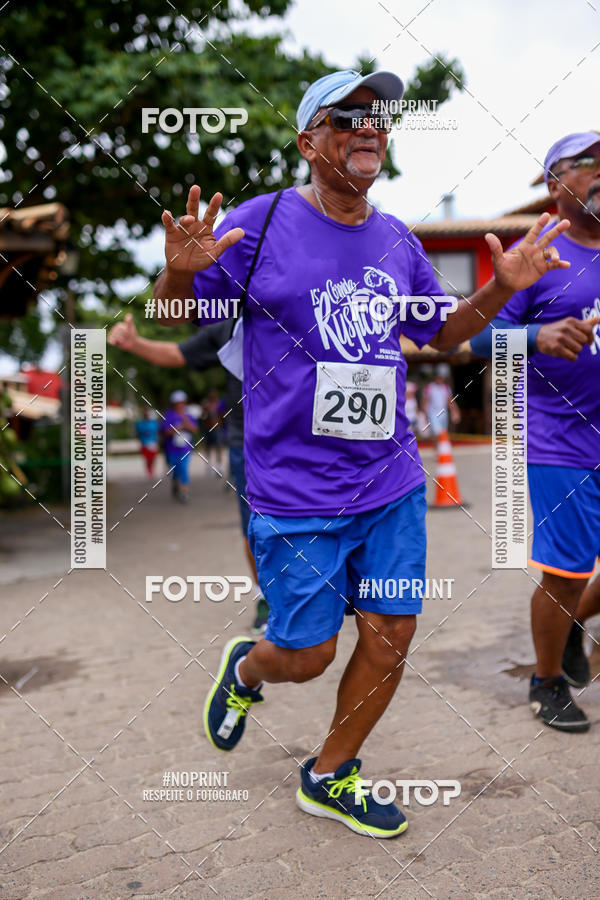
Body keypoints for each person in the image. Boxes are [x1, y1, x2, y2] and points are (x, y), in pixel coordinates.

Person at [154, 68, 570, 837]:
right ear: (310, 140)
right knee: (306, 655)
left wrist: (500, 291)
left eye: (377, 118)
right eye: (346, 117)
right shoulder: (262, 220)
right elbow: (180, 316)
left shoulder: (396, 238)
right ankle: (249, 668)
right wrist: (178, 271)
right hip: (293, 490)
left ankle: (330, 773)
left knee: (392, 632)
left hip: (389, 480)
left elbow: (440, 335)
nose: (367, 127)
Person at [470, 131, 600, 732]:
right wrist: (537, 337)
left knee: (574, 588)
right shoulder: (538, 251)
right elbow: (469, 341)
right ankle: (546, 682)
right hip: (560, 441)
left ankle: (570, 626)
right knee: (566, 574)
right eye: (587, 163)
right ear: (554, 185)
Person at [107, 314, 270, 633]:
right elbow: (178, 353)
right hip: (247, 442)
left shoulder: (304, 304)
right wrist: (135, 343)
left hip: (308, 438)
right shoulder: (231, 324)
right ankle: (265, 595)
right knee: (255, 526)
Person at [161, 390, 198, 503]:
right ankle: (175, 483)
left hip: (185, 449)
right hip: (172, 449)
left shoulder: (189, 415)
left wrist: (187, 424)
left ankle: (184, 492)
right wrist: (178, 428)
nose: (180, 405)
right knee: (175, 470)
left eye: (182, 402)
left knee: (184, 469)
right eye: (178, 402)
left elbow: (195, 429)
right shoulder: (169, 415)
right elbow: (164, 431)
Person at [422, 363, 461, 437]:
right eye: (438, 376)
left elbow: (450, 401)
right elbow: (425, 401)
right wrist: (425, 415)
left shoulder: (446, 388)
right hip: (432, 414)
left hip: (444, 414)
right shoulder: (429, 387)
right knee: (438, 433)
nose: (440, 378)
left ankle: (439, 447)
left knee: (443, 433)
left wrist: (455, 411)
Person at [135, 408, 160, 477]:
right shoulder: (140, 423)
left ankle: (151, 470)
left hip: (153, 443)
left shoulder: (154, 423)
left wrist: (158, 442)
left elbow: (157, 433)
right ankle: (149, 471)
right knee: (147, 459)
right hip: (144, 443)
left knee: (153, 458)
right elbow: (137, 434)